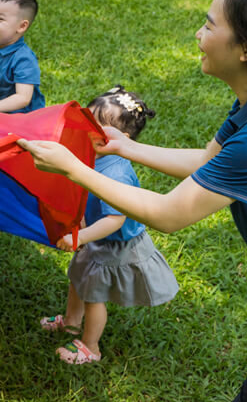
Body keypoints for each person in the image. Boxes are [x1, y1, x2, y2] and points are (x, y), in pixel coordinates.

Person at [18, 0, 247, 402]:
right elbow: (207, 161)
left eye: (209, 23)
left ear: (245, 48)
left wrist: (75, 168)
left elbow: (169, 215)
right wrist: (127, 148)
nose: (199, 33)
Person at [38, 86, 177, 365]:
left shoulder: (116, 171)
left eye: (98, 125)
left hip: (115, 243)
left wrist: (81, 237)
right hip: (94, 235)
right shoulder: (90, 155)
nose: (87, 128)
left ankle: (90, 347)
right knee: (78, 278)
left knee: (94, 293)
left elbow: (116, 220)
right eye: (88, 119)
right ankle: (71, 322)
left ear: (121, 138)